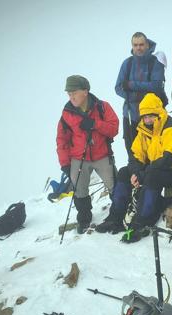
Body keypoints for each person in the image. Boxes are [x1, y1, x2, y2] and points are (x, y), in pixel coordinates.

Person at [95, 93, 172, 243]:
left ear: (159, 113)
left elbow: (167, 159)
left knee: (152, 177)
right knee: (123, 172)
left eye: (151, 116)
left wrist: (142, 175)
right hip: (155, 168)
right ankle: (115, 216)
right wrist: (135, 172)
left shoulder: (171, 128)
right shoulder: (144, 130)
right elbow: (135, 155)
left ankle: (142, 222)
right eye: (145, 117)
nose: (147, 120)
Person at [57, 75, 119, 233]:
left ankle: (119, 212)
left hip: (102, 155)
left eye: (74, 92)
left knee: (114, 186)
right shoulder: (67, 113)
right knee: (80, 190)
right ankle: (84, 218)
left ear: (85, 91)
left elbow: (114, 128)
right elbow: (62, 140)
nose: (71, 97)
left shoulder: (102, 107)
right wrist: (65, 163)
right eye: (69, 93)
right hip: (78, 158)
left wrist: (95, 124)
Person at [115, 32, 167, 160]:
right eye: (135, 45)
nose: (138, 48)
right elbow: (118, 88)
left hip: (153, 116)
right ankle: (134, 178)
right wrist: (136, 95)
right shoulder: (126, 64)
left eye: (141, 44)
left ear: (147, 45)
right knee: (132, 153)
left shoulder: (156, 62)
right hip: (130, 114)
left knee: (154, 153)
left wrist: (132, 85)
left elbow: (156, 86)